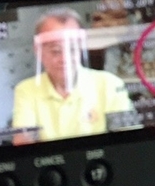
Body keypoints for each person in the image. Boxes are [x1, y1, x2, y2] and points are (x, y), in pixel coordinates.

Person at [12, 8, 132, 144]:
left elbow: (127, 140)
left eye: (72, 49)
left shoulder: (111, 84)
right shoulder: (26, 90)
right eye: (56, 51)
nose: (65, 59)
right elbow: (23, 142)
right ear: (38, 51)